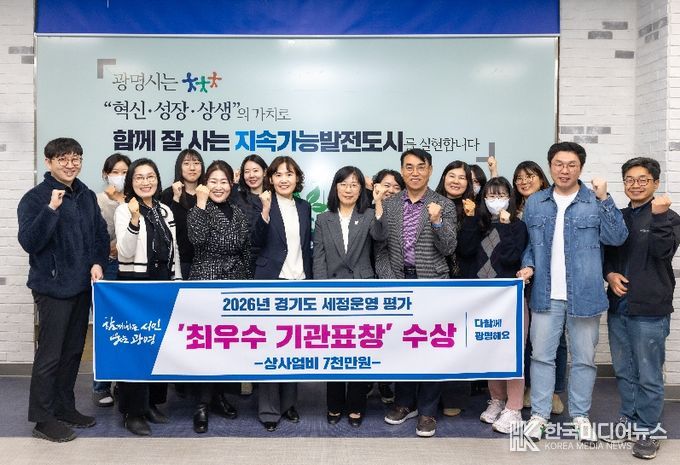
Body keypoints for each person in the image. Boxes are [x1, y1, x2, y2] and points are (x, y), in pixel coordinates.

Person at [518, 142, 628, 444]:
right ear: (550, 166)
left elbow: (617, 238)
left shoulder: (594, 200)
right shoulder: (536, 202)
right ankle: (539, 415)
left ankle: (580, 416)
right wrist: (528, 265)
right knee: (541, 357)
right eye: (558, 164)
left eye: (571, 165)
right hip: (545, 294)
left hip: (585, 294)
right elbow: (530, 245)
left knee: (584, 360)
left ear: (580, 167)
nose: (564, 170)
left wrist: (605, 198)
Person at [18, 137, 109, 442]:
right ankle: (43, 420)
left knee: (72, 353)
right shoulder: (35, 198)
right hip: (52, 287)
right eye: (63, 159)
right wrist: (51, 209)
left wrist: (97, 262)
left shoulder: (86, 195)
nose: (70, 165)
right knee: (50, 356)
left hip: (82, 286)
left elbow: (99, 234)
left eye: (75, 158)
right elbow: (30, 242)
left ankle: (64, 407)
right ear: (49, 162)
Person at [602, 157, 679, 460]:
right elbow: (607, 255)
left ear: (655, 183)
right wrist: (610, 274)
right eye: (630, 180)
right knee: (624, 370)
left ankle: (649, 430)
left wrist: (658, 217)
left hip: (650, 308)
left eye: (643, 179)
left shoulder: (669, 217)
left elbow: (663, 252)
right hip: (619, 307)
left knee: (648, 373)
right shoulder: (619, 217)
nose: (635, 185)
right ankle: (629, 420)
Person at [376, 148, 457, 438]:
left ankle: (427, 410)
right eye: (408, 167)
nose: (414, 172)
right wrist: (389, 281)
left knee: (431, 346)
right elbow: (380, 248)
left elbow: (449, 248)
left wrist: (437, 222)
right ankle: (404, 403)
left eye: (420, 167)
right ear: (402, 170)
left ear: (430, 170)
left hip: (432, 284)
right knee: (404, 344)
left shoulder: (443, 204)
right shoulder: (391, 204)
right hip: (399, 282)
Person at [313, 166, 386, 427]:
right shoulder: (324, 219)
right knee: (334, 349)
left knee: (358, 349)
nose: (348, 189)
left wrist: (378, 203)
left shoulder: (368, 215)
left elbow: (381, 235)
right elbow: (318, 258)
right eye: (343, 184)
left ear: (360, 189)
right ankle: (334, 404)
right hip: (331, 292)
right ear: (335, 187)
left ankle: (356, 405)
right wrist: (322, 292)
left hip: (362, 291)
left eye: (354, 184)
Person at [115, 158, 182, 436]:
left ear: (157, 179)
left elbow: (174, 250)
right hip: (135, 283)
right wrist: (134, 219)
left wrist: (177, 281)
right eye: (139, 177)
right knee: (136, 348)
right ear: (131, 182)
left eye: (150, 176)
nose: (146, 182)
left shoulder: (165, 210)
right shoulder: (124, 209)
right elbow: (125, 251)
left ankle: (151, 403)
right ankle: (132, 411)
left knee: (158, 346)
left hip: (162, 282)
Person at [457, 177, 528, 433]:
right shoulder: (478, 223)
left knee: (513, 352)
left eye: (501, 195)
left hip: (509, 299)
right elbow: (465, 251)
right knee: (491, 350)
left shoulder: (518, 226)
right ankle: (497, 399)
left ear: (510, 198)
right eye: (491, 195)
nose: (496, 200)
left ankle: (514, 407)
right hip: (482, 299)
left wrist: (507, 227)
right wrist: (469, 220)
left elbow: (511, 257)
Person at [186, 160, 251, 433]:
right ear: (204, 184)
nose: (219, 186)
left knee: (227, 344)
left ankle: (219, 396)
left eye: (223, 181)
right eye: (213, 181)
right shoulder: (198, 209)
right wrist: (200, 204)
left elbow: (246, 249)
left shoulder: (238, 212)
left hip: (235, 281)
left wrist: (248, 285)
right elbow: (197, 239)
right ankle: (201, 404)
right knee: (206, 346)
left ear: (231, 185)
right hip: (207, 279)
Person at [252, 155, 312, 432]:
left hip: (299, 282)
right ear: (270, 179)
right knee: (270, 346)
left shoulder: (304, 206)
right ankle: (268, 410)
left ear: (297, 178)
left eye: (289, 174)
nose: (284, 179)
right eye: (278, 174)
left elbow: (305, 246)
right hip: (271, 281)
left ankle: (289, 405)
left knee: (293, 345)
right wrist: (265, 211)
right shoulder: (260, 203)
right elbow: (254, 241)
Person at [513, 161, 567, 416]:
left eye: (529, 176)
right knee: (525, 337)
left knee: (556, 339)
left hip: (548, 279)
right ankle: (529, 386)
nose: (524, 182)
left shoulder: (555, 204)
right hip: (519, 279)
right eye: (519, 178)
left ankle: (554, 390)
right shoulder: (513, 208)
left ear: (542, 178)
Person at [93, 152, 131, 408]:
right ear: (106, 174)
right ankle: (102, 385)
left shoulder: (134, 199)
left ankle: (126, 382)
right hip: (106, 266)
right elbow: (94, 234)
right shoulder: (97, 200)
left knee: (127, 326)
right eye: (115, 172)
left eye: (125, 172)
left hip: (131, 266)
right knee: (105, 326)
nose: (120, 177)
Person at [160, 148, 205, 279]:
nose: (192, 168)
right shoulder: (168, 194)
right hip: (178, 261)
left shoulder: (207, 193)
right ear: (179, 167)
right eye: (186, 163)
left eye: (196, 163)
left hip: (205, 262)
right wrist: (176, 198)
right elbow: (166, 229)